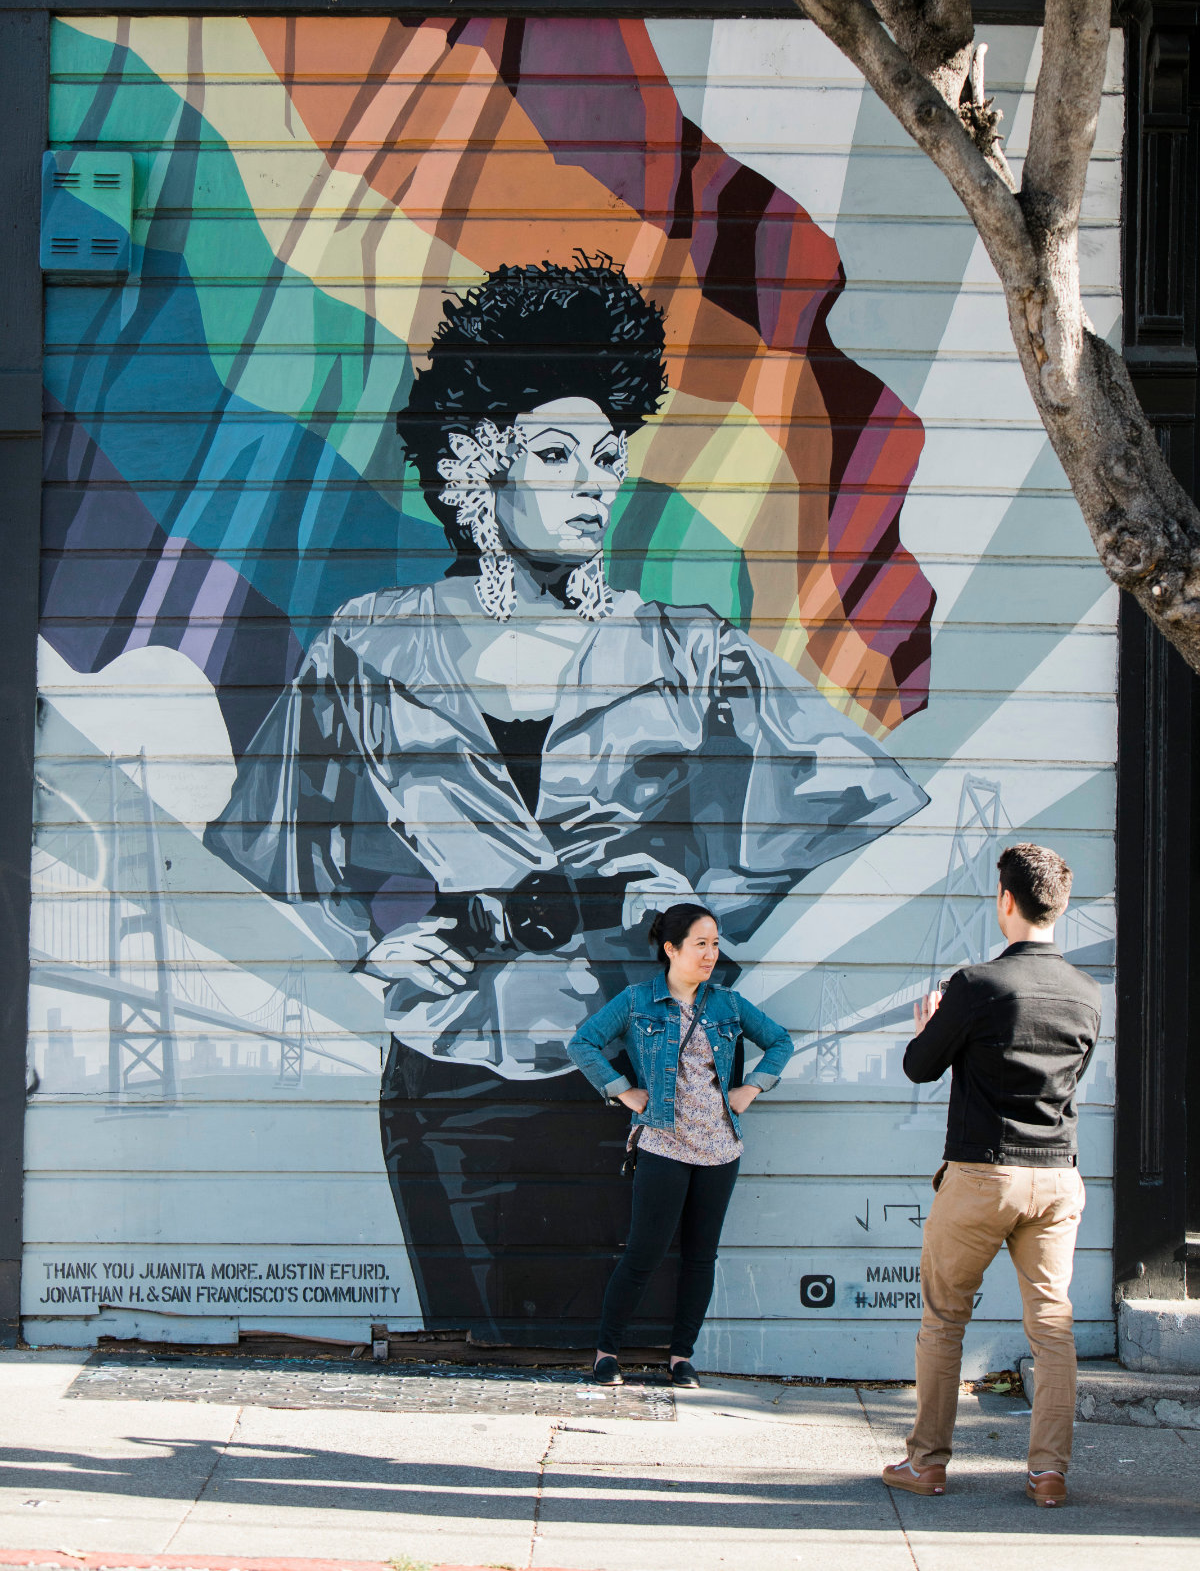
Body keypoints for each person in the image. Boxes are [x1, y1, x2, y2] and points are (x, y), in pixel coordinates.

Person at [207, 254, 927, 1344]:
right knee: (477, 1344)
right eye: (557, 453)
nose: (597, 480)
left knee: (626, 1342)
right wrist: (363, 944)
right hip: (451, 1070)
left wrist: (698, 915)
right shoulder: (372, 639)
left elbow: (851, 789)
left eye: (607, 454)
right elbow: (269, 827)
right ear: (474, 466)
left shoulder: (682, 645)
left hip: (635, 1066)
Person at [883, 842, 1102, 1508]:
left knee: (945, 1318)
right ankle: (1047, 1472)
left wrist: (927, 1025)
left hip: (983, 1174)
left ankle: (927, 1464)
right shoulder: (1087, 992)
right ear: (1057, 905)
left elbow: (920, 1066)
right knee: (1052, 1326)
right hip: (1058, 1178)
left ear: (1005, 900)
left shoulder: (976, 984)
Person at [568, 901, 793, 1385]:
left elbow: (780, 1042)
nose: (711, 954)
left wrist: (750, 1088)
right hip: (664, 1146)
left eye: (715, 944)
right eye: (700, 944)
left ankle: (681, 1356)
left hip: (720, 1150)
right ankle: (607, 1351)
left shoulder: (727, 1004)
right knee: (644, 1253)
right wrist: (622, 1091)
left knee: (700, 1256)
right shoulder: (636, 1001)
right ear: (671, 949)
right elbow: (582, 1042)